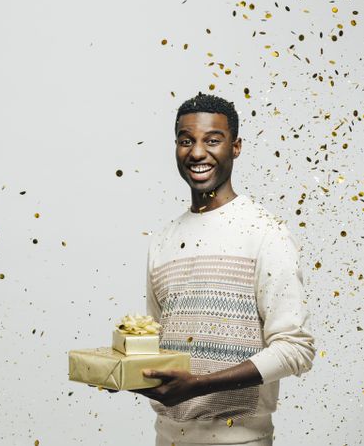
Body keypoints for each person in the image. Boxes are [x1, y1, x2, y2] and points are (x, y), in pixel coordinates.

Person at [129, 92, 316, 446]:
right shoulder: (163, 240)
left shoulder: (265, 232)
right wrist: (123, 374)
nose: (197, 153)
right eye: (187, 141)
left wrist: (198, 386)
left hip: (240, 441)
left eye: (212, 140)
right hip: (166, 439)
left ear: (236, 147)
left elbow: (295, 349)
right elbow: (156, 345)